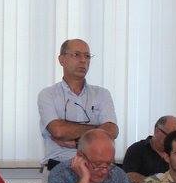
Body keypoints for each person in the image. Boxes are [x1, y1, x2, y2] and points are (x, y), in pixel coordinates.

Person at [37, 39, 118, 170]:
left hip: (97, 168)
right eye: (76, 55)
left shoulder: (102, 94)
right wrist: (98, 130)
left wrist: (75, 142)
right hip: (60, 166)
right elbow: (58, 131)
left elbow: (112, 131)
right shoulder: (48, 94)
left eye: (87, 56)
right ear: (61, 60)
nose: (83, 60)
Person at [122, 115, 176, 183]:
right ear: (157, 131)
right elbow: (129, 176)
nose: (174, 140)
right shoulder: (137, 149)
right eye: (170, 136)